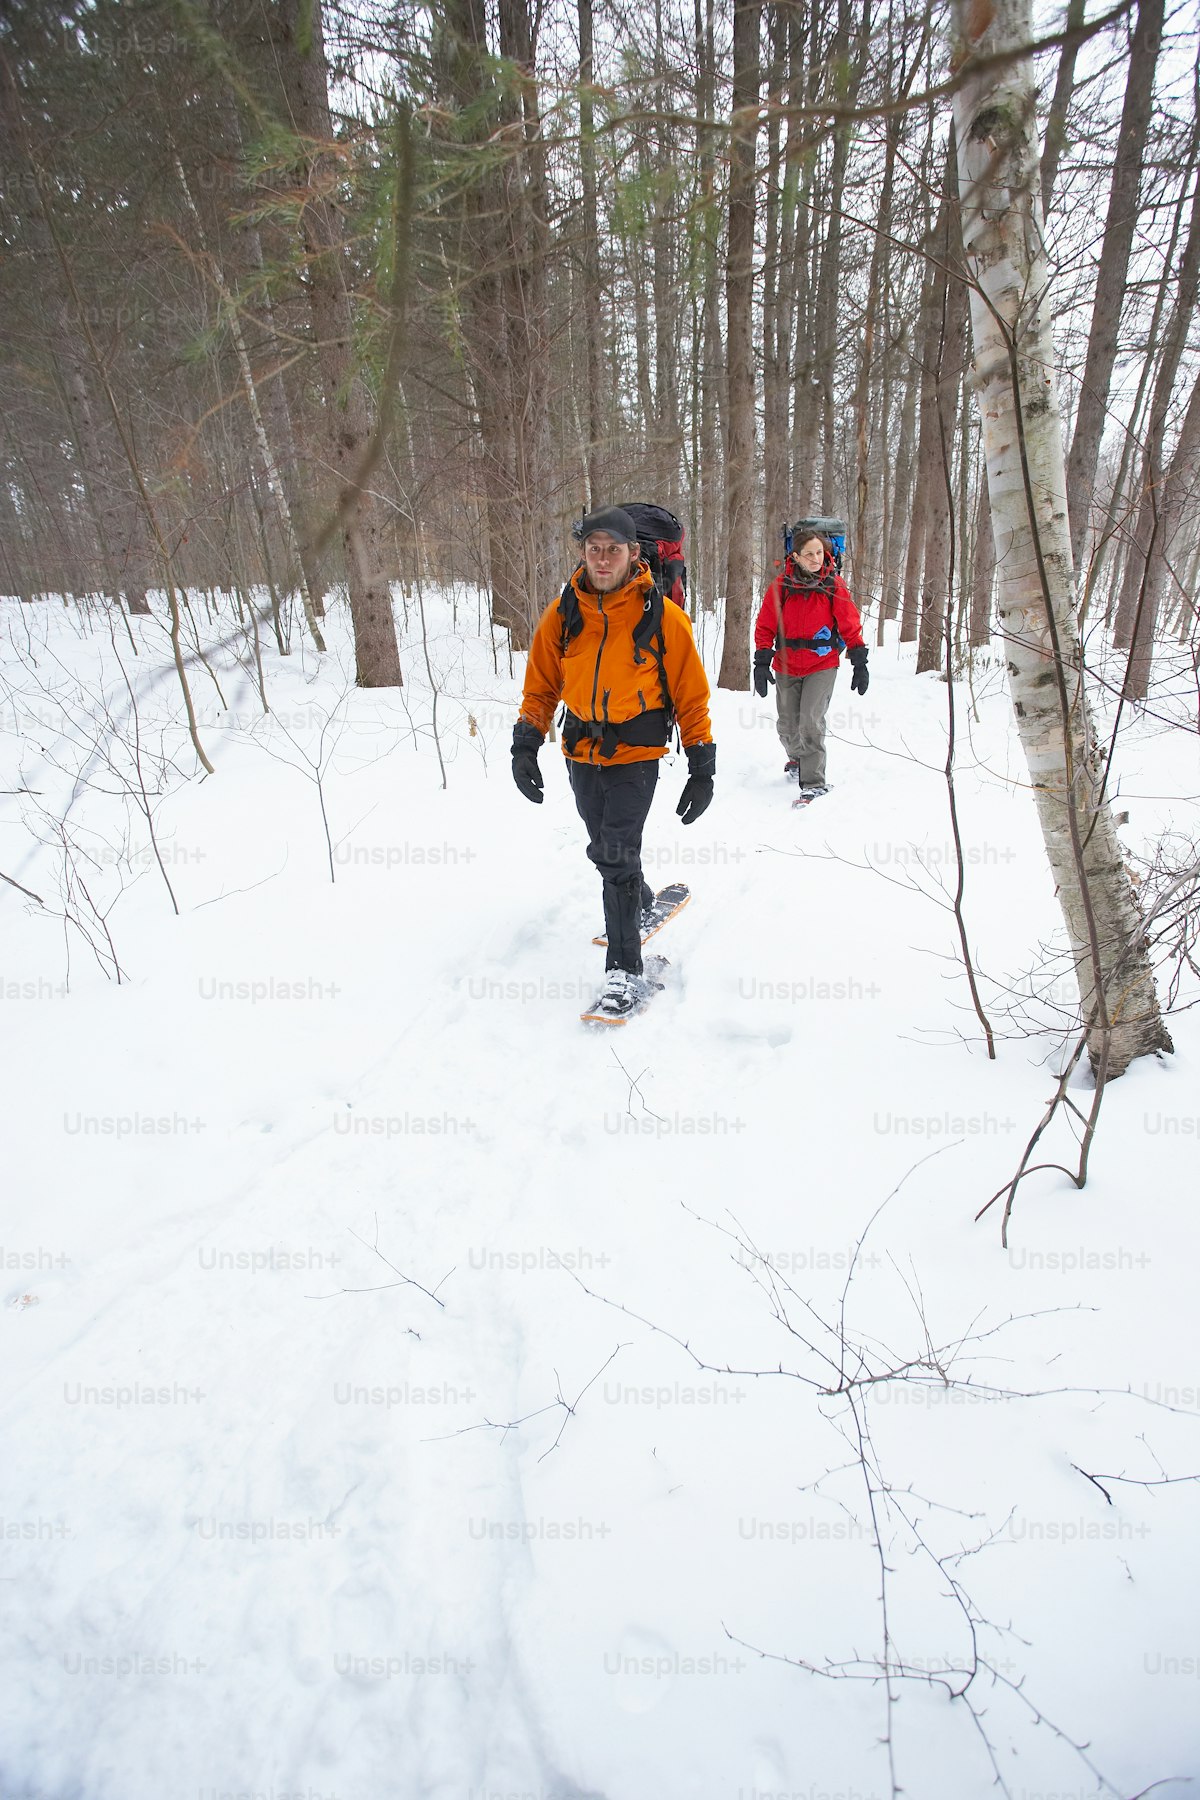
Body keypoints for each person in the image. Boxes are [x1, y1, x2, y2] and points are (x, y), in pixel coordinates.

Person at [511, 506, 715, 1014]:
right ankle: (639, 899)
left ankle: (625, 972)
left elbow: (691, 696)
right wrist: (525, 744)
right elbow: (540, 686)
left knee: (615, 853)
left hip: (637, 754)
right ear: (584, 553)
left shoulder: (663, 618)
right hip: (580, 751)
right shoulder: (563, 614)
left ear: (633, 554)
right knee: (606, 846)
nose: (603, 559)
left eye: (614, 550)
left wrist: (702, 763)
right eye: (594, 549)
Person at [752, 529, 868, 797]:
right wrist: (761, 660)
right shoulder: (781, 586)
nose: (816, 558)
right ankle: (797, 757)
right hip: (786, 664)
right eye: (809, 554)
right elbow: (765, 625)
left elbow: (850, 624)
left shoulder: (833, 585)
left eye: (819, 552)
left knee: (810, 722)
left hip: (822, 664)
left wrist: (859, 660)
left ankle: (814, 783)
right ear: (796, 556)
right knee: (788, 725)